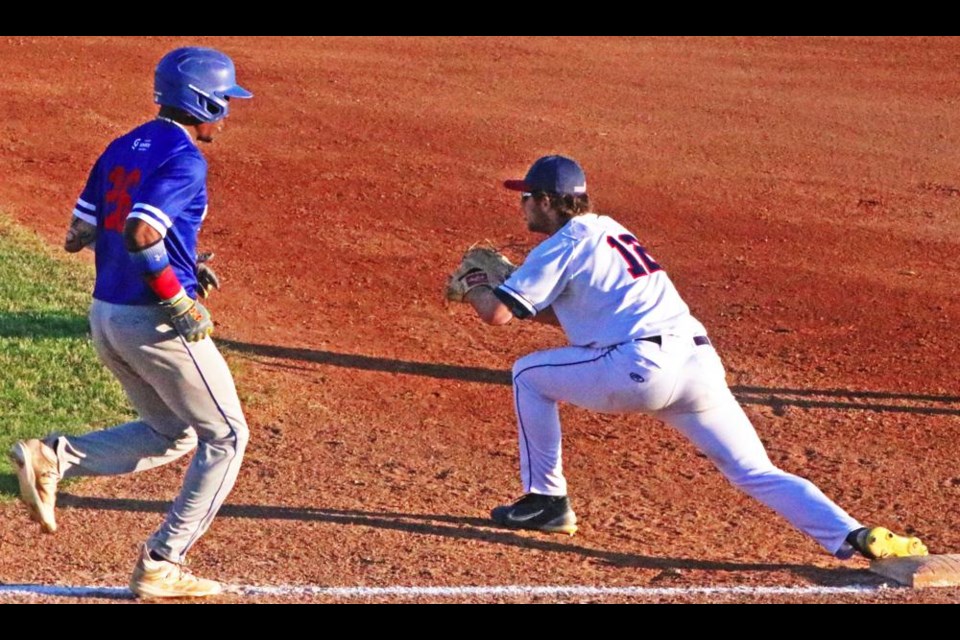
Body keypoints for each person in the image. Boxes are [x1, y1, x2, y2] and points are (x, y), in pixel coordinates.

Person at [460, 154, 928, 562]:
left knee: (528, 375)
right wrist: (504, 291)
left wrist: (478, 284)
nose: (521, 205)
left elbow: (499, 314)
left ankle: (546, 500)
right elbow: (586, 318)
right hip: (697, 365)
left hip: (640, 367)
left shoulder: (561, 245)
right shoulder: (610, 231)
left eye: (526, 197)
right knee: (755, 470)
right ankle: (854, 533)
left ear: (546, 200)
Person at [8, 46, 253, 598]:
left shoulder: (121, 146)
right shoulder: (186, 159)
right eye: (223, 101)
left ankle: (54, 455)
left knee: (175, 433)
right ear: (202, 99)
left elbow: (78, 234)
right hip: (152, 322)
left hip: (105, 315)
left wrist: (186, 262)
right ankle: (163, 562)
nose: (227, 113)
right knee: (228, 436)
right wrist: (177, 297)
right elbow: (143, 232)